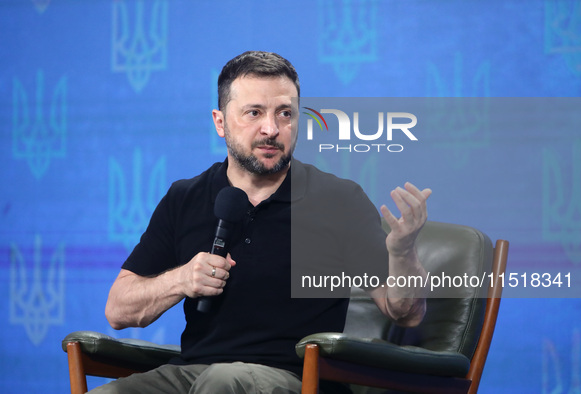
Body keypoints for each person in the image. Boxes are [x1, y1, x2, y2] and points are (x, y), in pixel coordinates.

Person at [94, 51, 431, 394]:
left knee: (223, 381)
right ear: (220, 122)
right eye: (254, 113)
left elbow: (405, 312)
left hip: (297, 380)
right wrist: (181, 279)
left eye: (285, 114)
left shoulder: (338, 199)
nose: (271, 129)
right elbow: (118, 310)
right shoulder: (185, 197)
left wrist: (403, 252)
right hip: (192, 373)